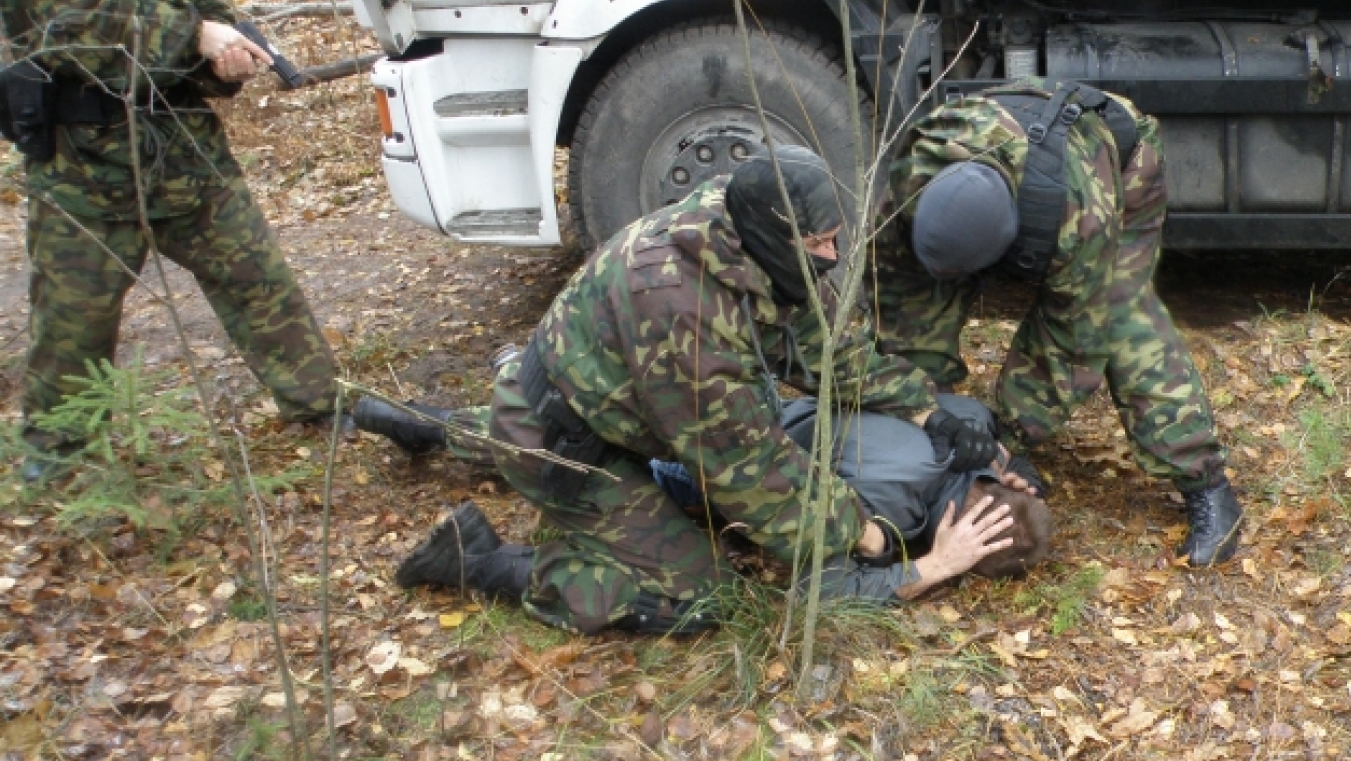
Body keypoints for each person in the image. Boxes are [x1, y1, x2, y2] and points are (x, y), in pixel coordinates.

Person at [358, 147, 1028, 635]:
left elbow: (829, 348)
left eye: (834, 237)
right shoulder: (690, 317)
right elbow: (754, 477)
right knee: (698, 597)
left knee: (564, 435)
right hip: (574, 442)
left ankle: (433, 426)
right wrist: (875, 541)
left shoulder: (739, 227)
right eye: (820, 242)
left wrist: (927, 411)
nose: (833, 253)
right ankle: (481, 559)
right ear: (779, 235)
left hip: (595, 401)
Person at [0, 0, 338, 476]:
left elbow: (208, 26)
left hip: (184, 150)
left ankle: (321, 407)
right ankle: (58, 457)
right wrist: (194, 34)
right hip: (81, 165)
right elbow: (69, 24)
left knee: (263, 287)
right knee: (74, 324)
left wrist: (226, 65)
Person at [872, 78, 1243, 565]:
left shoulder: (1076, 219)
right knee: (911, 315)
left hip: (1116, 164)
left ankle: (1206, 483)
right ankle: (935, 454)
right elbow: (897, 298)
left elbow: (1068, 347)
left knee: (1125, 319)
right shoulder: (912, 182)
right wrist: (931, 414)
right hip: (1013, 147)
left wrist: (1003, 442)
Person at [650, 391, 1053, 579]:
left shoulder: (972, 429)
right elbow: (830, 584)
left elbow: (1000, 450)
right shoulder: (888, 503)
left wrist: (1021, 472)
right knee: (667, 478)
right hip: (728, 455)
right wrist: (934, 566)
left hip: (765, 403)